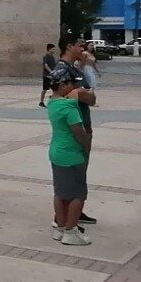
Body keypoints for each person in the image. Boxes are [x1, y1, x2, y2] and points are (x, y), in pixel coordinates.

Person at [42, 37, 99, 224]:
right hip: (75, 131)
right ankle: (65, 220)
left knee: (78, 177)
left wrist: (83, 93)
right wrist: (83, 93)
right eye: (80, 45)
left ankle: (74, 214)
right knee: (70, 180)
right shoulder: (61, 70)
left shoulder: (75, 69)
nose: (83, 49)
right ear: (69, 46)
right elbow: (71, 97)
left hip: (83, 123)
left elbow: (91, 97)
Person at [47, 68, 93, 245]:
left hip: (56, 151)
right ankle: (71, 231)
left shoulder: (52, 103)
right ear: (62, 85)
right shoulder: (69, 108)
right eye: (71, 83)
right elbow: (78, 131)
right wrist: (87, 145)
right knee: (78, 194)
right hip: (71, 154)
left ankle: (60, 227)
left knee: (60, 193)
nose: (74, 87)